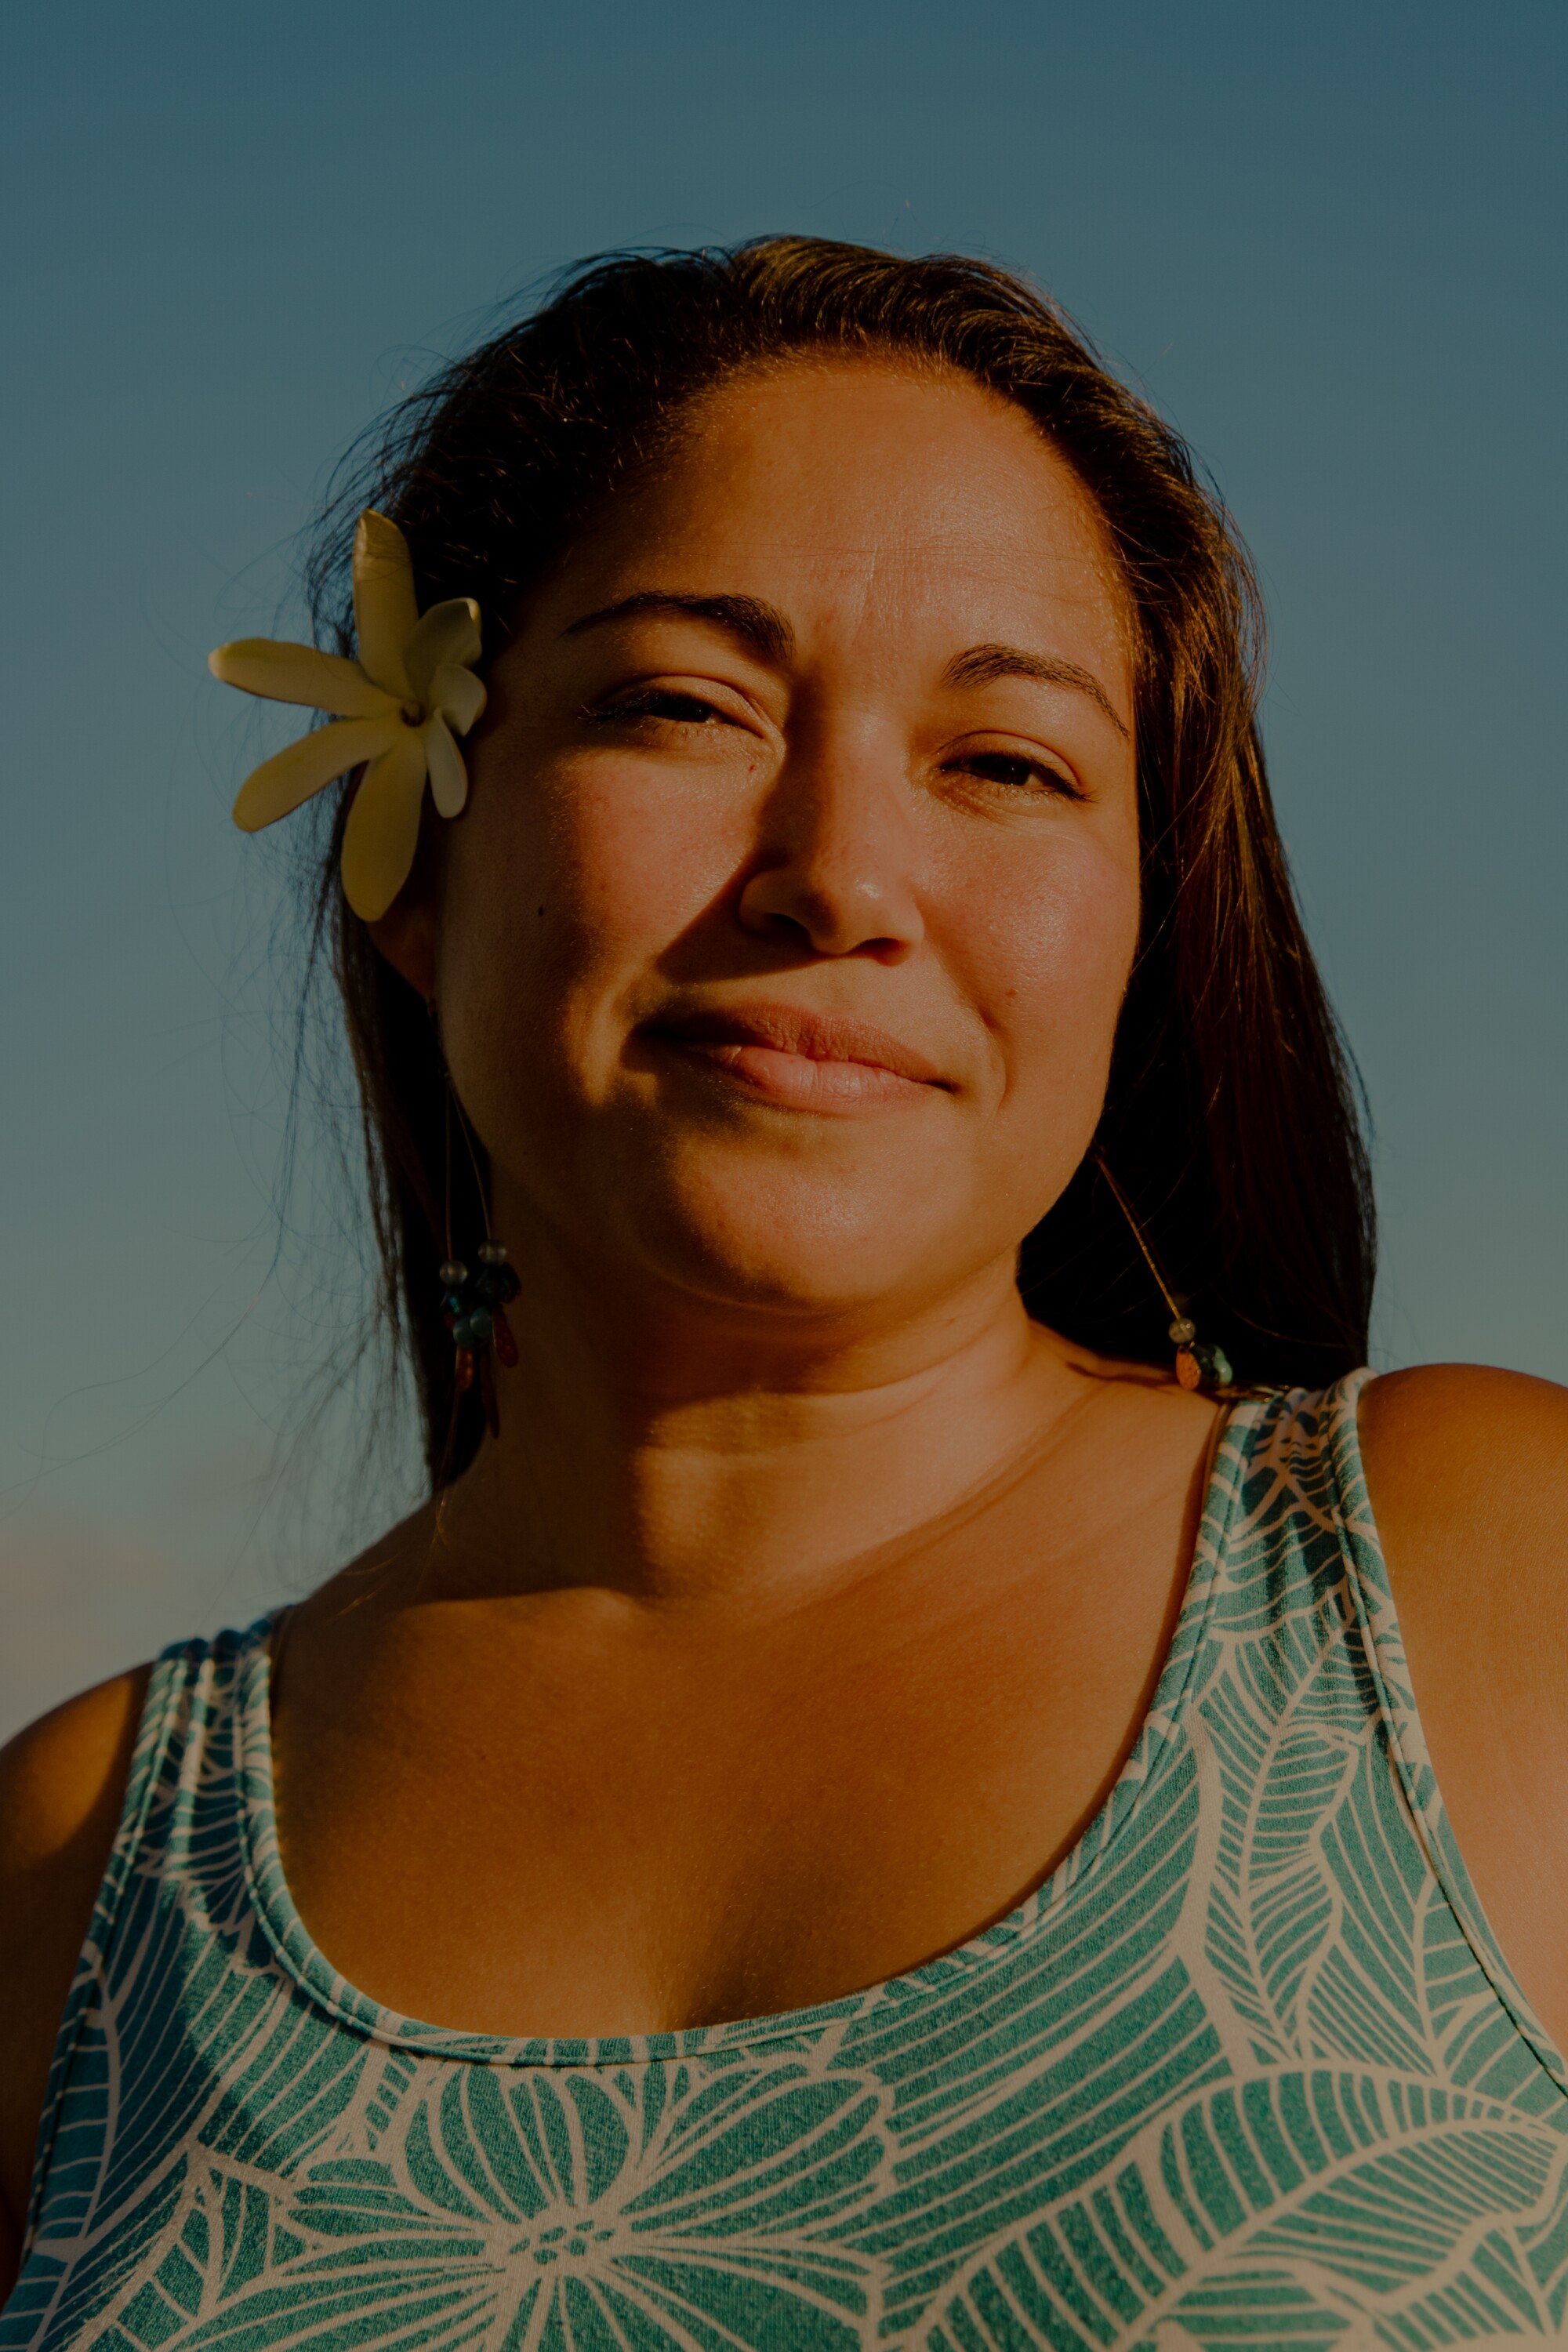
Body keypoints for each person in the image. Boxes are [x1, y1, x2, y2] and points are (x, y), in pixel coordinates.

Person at [2, 238, 1564, 2350]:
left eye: (1006, 762)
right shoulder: (85, 1865)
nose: (839, 872)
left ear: (1144, 920)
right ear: (413, 857)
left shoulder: (1486, 1583)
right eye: (682, 705)